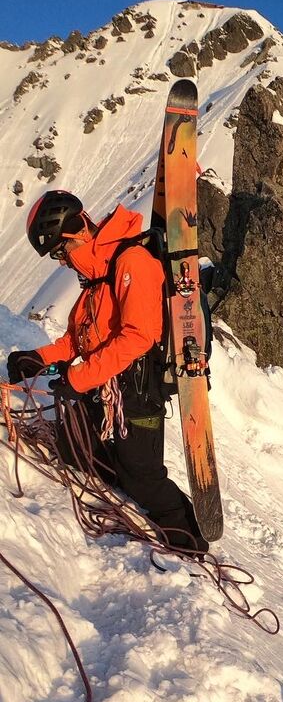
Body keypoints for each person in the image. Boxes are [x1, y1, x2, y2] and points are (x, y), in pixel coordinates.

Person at [6, 189, 208, 553]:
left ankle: (190, 546)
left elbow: (139, 338)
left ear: (78, 233)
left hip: (137, 394)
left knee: (142, 476)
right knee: (74, 444)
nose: (62, 262)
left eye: (59, 251)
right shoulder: (97, 282)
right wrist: (37, 357)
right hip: (106, 388)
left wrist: (78, 378)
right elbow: (78, 341)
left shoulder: (133, 262)